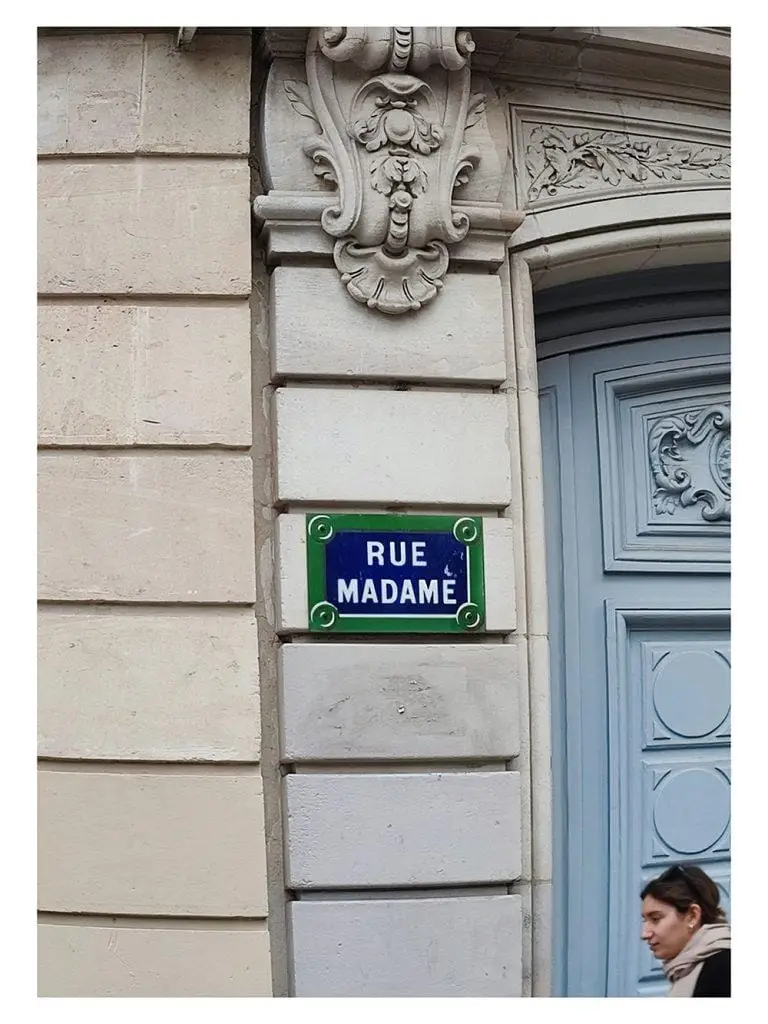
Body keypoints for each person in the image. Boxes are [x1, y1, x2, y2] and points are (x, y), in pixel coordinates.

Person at [641, 863, 731, 997]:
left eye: (655, 919)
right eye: (645, 920)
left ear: (693, 916)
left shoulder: (723, 969)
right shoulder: (685, 968)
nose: (644, 934)